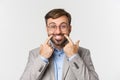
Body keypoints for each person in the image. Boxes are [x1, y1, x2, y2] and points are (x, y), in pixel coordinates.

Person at [20, 8, 99, 80]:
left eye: (63, 26)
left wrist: (73, 56)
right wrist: (42, 58)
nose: (58, 31)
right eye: (52, 26)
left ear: (70, 29)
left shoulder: (83, 53)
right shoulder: (35, 54)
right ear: (47, 29)